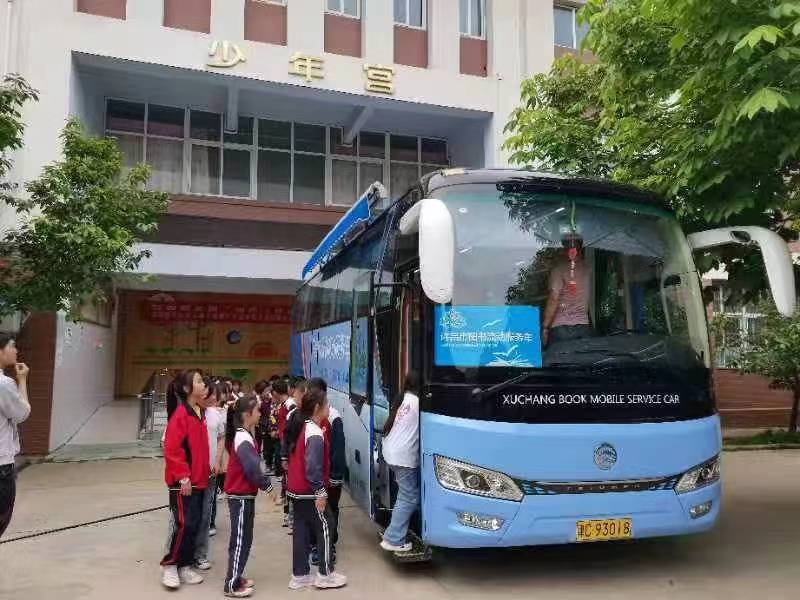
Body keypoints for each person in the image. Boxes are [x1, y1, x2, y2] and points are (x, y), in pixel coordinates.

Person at [285, 387, 347, 590]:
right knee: (327, 525)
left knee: (301, 531)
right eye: (327, 403)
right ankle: (325, 574)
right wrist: (320, 491)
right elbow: (313, 468)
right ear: (318, 407)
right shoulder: (315, 433)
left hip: (296, 489)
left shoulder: (303, 426)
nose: (329, 407)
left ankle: (300, 575)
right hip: (309, 491)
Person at [160, 370, 211, 590]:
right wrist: (183, 477)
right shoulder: (180, 414)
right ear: (187, 389)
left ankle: (185, 565)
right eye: (199, 381)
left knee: (194, 525)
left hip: (199, 481)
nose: (203, 384)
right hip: (183, 483)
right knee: (183, 525)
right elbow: (172, 450)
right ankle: (170, 565)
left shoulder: (199, 412)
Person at [223, 395, 275, 598]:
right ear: (247, 414)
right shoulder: (243, 438)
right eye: (258, 410)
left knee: (244, 539)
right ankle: (231, 584)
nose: (260, 413)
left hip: (245, 496)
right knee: (240, 540)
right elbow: (253, 469)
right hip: (240, 497)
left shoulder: (244, 434)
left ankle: (237, 577)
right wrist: (268, 486)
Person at [380, 372, 421, 553]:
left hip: (392, 452)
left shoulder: (405, 398)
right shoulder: (418, 403)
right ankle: (393, 539)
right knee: (409, 497)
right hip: (402, 457)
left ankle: (394, 534)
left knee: (406, 495)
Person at [310, 378, 345, 567]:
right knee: (316, 512)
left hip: (330, 478)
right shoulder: (307, 417)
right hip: (315, 477)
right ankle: (316, 545)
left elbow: (338, 449)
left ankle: (329, 545)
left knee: (331, 511)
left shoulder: (333, 417)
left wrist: (335, 476)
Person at [0, 333, 31, 539]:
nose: (16, 350)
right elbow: (22, 413)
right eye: (12, 346)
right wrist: (22, 380)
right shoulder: (3, 384)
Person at [194, 379, 226, 570]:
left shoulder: (215, 414)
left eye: (215, 394)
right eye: (210, 394)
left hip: (210, 474)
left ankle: (201, 554)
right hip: (191, 476)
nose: (213, 398)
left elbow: (221, 437)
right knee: (190, 517)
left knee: (205, 515)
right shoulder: (188, 414)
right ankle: (183, 556)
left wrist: (217, 460)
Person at [542, 232, 592, 346]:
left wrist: (545, 327)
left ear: (565, 249)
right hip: (583, 326)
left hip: (561, 328)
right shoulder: (587, 269)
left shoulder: (559, 270)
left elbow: (554, 299)